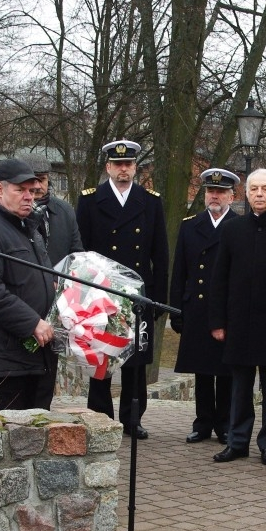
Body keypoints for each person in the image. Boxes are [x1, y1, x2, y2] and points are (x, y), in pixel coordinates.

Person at [76, 140, 169, 439]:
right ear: (108, 168)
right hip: (102, 292)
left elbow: (160, 254)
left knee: (136, 359)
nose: (123, 169)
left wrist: (159, 300)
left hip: (138, 293)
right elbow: (82, 253)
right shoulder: (90, 200)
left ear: (135, 168)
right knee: (101, 356)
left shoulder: (150, 201)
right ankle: (101, 415)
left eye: (128, 164)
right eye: (118, 164)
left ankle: (133, 418)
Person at [209, 168, 266, 466]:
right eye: (254, 189)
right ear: (246, 193)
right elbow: (219, 278)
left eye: (265, 189)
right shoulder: (233, 229)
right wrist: (217, 321)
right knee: (240, 388)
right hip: (238, 322)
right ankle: (238, 441)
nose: (259, 194)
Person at [0, 158, 58, 411]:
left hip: (38, 356)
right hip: (6, 361)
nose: (29, 197)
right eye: (20, 190)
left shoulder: (29, 229)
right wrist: (31, 323)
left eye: (33, 191)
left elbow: (42, 279)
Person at [170, 168, 240, 445]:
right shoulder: (190, 225)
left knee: (224, 370)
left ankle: (225, 423)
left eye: (221, 192)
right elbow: (180, 272)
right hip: (196, 308)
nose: (215, 196)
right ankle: (202, 423)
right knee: (201, 369)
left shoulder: (238, 226)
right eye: (211, 191)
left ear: (231, 197)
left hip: (225, 309)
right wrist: (177, 310)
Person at [23, 154, 84, 267]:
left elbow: (77, 256)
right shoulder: (12, 212)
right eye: (32, 180)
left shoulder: (65, 211)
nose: (37, 186)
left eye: (42, 179)